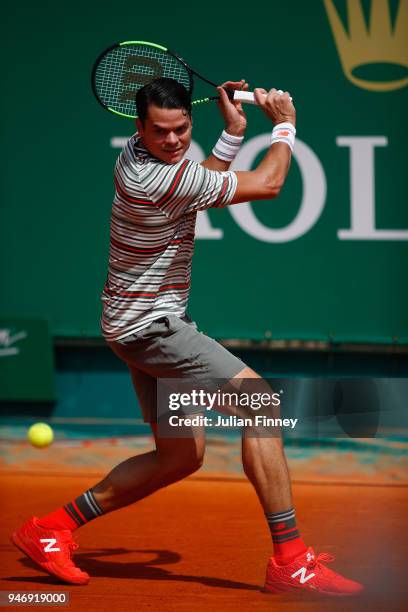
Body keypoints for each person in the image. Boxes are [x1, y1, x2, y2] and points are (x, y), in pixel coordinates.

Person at [11, 77, 363, 597]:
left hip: (132, 325)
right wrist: (284, 125)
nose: (172, 141)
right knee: (262, 406)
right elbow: (268, 184)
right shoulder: (154, 179)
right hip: (153, 329)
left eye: (180, 130)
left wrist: (233, 133)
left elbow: (197, 185)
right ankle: (291, 559)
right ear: (139, 129)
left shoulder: (140, 157)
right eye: (160, 132)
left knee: (179, 457)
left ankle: (51, 529)